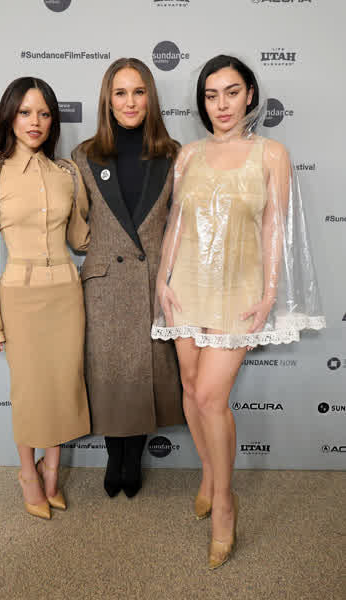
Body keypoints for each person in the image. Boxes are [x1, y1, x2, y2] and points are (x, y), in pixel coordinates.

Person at [151, 55, 325, 568]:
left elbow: (276, 228)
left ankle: (225, 502)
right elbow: (178, 222)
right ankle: (209, 473)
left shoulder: (272, 154)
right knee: (190, 388)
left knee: (211, 397)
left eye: (231, 92)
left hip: (238, 290)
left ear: (249, 94)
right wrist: (162, 280)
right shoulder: (189, 155)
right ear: (203, 102)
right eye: (211, 95)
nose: (221, 105)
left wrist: (270, 293)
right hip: (186, 286)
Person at [0, 77, 90, 520]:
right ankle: (28, 472)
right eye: (25, 112)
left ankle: (51, 471)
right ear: (10, 117)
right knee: (28, 391)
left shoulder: (67, 173)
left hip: (67, 295)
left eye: (43, 113)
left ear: (53, 120)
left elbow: (80, 238)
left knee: (62, 386)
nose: (35, 122)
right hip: (18, 300)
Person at [72, 58, 184, 498]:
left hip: (152, 282)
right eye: (121, 93)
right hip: (104, 285)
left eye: (139, 92)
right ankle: (113, 457)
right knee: (110, 374)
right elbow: (76, 224)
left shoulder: (173, 154)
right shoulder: (84, 155)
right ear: (108, 99)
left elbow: (181, 221)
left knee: (142, 372)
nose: (130, 102)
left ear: (150, 97)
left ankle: (131, 461)